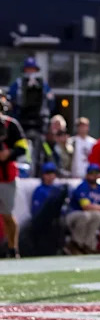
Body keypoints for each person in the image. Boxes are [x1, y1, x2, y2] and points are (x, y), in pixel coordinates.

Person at [0, 107, 27, 258]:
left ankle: (13, 248)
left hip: (6, 177)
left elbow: (23, 148)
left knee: (7, 215)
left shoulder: (11, 124)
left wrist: (9, 153)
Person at [8, 57, 53, 141]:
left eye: (32, 69)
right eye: (28, 69)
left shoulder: (42, 84)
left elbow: (50, 101)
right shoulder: (18, 83)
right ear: (24, 70)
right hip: (22, 120)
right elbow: (10, 99)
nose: (30, 72)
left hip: (39, 122)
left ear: (36, 70)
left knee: (40, 144)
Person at [29, 162, 69, 255]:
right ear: (43, 175)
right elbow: (37, 211)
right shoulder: (40, 190)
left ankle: (62, 248)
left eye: (52, 173)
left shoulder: (58, 189)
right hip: (43, 222)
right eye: (47, 173)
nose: (50, 176)